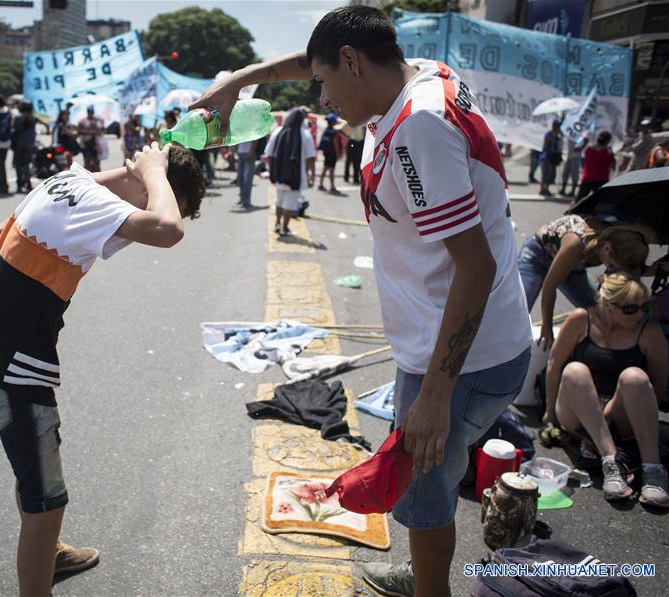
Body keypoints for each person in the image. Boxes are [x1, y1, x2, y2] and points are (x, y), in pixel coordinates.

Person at [191, 7, 532, 596]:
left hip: (460, 360)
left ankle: (430, 585)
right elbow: (314, 58)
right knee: (427, 486)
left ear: (351, 62)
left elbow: (475, 267)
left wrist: (434, 395)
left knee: (422, 495)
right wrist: (241, 78)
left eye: (323, 82)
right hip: (451, 344)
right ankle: (426, 570)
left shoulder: (419, 127)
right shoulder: (414, 73)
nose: (321, 97)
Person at [0, 142, 204, 597]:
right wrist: (155, 172)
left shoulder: (67, 181)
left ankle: (49, 552)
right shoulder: (95, 200)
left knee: (34, 475)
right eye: (163, 193)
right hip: (14, 367)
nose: (164, 204)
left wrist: (142, 172)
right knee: (46, 501)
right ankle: (39, 576)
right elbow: (168, 229)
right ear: (150, 185)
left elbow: (2, 227)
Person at [544, 273, 668, 507]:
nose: (640, 313)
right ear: (608, 306)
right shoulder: (582, 319)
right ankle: (611, 461)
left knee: (635, 377)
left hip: (618, 412)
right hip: (579, 409)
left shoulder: (648, 331)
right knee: (574, 370)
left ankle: (653, 470)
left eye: (644, 307)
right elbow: (554, 365)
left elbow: (658, 386)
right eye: (631, 309)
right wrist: (550, 411)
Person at [518, 215, 653, 349]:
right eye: (612, 265)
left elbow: (628, 272)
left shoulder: (618, 240)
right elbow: (549, 285)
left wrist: (653, 269)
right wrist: (547, 326)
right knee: (518, 311)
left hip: (572, 267)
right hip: (537, 256)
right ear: (607, 249)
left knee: (600, 309)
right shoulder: (575, 244)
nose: (613, 270)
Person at [264, 108, 315, 237]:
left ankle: (277, 224)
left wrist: (273, 170)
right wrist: (311, 175)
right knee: (290, 203)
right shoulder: (305, 134)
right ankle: (285, 228)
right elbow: (310, 158)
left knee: (279, 201)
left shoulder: (278, 131)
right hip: (295, 176)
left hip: (279, 174)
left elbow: (269, 153)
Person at [576, 131, 615, 202]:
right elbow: (612, 165)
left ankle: (571, 211)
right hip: (602, 179)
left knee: (579, 200)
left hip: (587, 177)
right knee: (601, 201)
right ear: (607, 141)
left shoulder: (589, 149)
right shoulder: (608, 152)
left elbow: (584, 161)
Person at [11, 101, 37, 194]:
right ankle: (28, 183)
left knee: (18, 165)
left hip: (19, 144)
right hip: (29, 145)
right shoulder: (33, 118)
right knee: (26, 165)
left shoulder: (18, 117)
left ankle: (19, 184)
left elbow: (14, 129)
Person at [316, 112, 343, 193]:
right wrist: (338, 154)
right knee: (331, 170)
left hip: (326, 152)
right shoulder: (334, 132)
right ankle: (332, 186)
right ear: (333, 121)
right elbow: (335, 143)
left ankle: (321, 184)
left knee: (325, 168)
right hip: (332, 153)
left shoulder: (326, 129)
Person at [538, 119, 562, 196]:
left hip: (553, 158)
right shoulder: (549, 133)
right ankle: (543, 189)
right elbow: (546, 142)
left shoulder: (558, 136)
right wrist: (554, 136)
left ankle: (546, 189)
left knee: (551, 175)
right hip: (546, 158)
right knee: (545, 175)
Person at [77, 106, 104, 172]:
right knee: (87, 162)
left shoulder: (97, 120)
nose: (91, 114)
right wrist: (89, 132)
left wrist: (99, 126)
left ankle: (99, 178)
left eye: (92, 112)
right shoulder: (83, 121)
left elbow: (101, 129)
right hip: (86, 144)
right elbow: (79, 131)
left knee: (97, 162)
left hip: (96, 144)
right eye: (89, 112)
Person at [559, 133, 585, 197]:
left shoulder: (580, 134)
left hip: (575, 157)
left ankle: (573, 191)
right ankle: (563, 189)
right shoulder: (568, 133)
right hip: (567, 156)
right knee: (565, 173)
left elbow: (585, 140)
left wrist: (581, 147)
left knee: (575, 175)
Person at [236, 138, 258, 209]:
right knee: (240, 177)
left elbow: (256, 138)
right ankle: (242, 198)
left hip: (249, 153)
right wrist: (232, 151)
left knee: (247, 178)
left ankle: (246, 200)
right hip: (240, 152)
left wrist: (251, 152)